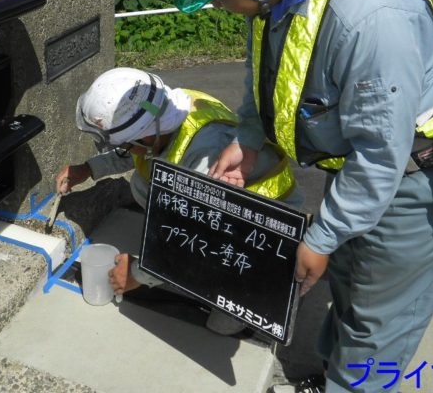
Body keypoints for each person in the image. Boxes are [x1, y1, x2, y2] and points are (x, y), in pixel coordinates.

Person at [153, 0, 433, 392]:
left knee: (378, 326)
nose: (220, 7)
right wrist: (248, 138)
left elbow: (381, 154)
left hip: (420, 176)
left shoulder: (370, 15)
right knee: (350, 284)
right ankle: (332, 377)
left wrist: (323, 235)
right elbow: (263, 74)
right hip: (361, 168)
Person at [55, 67, 297, 335]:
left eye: (123, 144)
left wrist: (138, 274)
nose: (123, 151)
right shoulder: (168, 111)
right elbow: (132, 152)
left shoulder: (206, 159)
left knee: (222, 325)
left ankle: (260, 293)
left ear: (146, 137)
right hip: (219, 209)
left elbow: (194, 237)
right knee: (144, 181)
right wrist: (88, 168)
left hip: (260, 235)